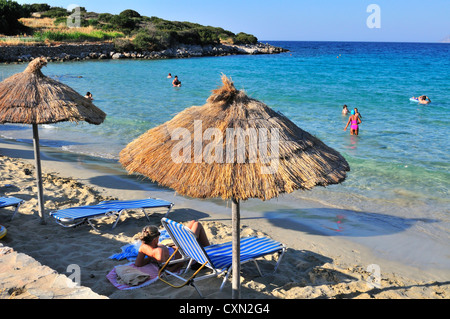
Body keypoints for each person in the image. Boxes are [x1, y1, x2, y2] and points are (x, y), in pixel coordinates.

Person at [134, 221, 209, 267]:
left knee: (193, 222)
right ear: (154, 239)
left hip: (178, 246)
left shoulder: (143, 247)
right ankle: (209, 252)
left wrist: (151, 258)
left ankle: (208, 249)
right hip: (185, 250)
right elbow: (171, 268)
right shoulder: (159, 252)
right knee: (197, 224)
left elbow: (138, 264)